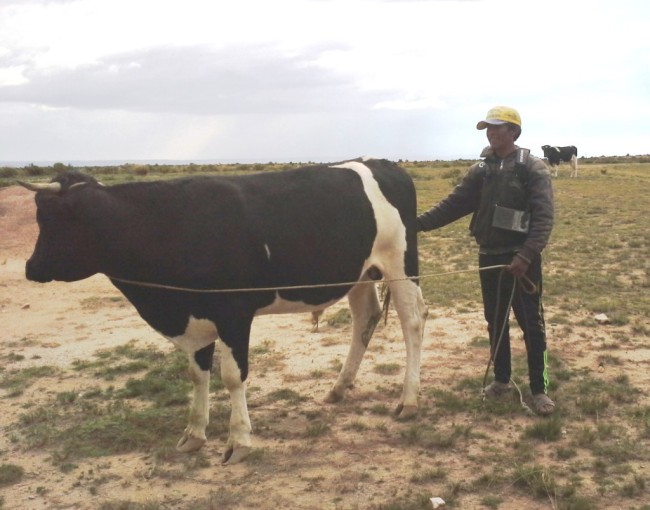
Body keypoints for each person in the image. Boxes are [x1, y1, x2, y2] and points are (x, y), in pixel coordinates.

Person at [417, 106, 555, 416]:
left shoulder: (532, 169)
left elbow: (544, 219)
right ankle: (502, 380)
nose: (491, 133)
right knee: (495, 322)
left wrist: (526, 255)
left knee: (532, 325)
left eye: (497, 128)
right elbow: (454, 205)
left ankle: (539, 389)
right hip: (489, 258)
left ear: (514, 132)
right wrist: (417, 224)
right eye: (487, 128)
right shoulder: (481, 169)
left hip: (521, 262)